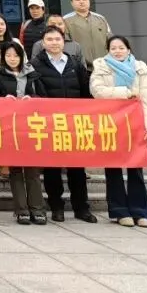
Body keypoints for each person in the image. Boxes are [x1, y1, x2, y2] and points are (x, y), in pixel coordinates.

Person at [90, 35, 147, 228]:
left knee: (136, 167)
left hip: (135, 123)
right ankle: (119, 211)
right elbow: (98, 92)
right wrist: (126, 93)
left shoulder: (140, 68)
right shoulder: (101, 66)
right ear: (108, 51)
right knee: (113, 168)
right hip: (111, 122)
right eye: (113, 48)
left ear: (128, 50)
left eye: (121, 47)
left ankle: (141, 211)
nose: (117, 51)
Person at [31, 25, 98, 223]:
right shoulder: (35, 65)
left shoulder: (74, 63)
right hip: (49, 123)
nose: (54, 43)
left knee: (77, 168)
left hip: (74, 123)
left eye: (57, 39)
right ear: (43, 43)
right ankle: (56, 207)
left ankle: (81, 208)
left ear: (64, 41)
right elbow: (35, 92)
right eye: (49, 39)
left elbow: (85, 91)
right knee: (51, 169)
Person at [0, 41, 47, 225]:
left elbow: (44, 98)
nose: (12, 59)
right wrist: (3, 100)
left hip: (31, 126)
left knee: (32, 170)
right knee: (15, 170)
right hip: (9, 127)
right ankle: (21, 210)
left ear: (22, 57)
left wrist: (33, 98)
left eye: (15, 55)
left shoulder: (33, 74)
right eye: (8, 55)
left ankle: (37, 209)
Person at [64, 0, 112, 69]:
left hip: (104, 66)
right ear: (71, 2)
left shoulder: (101, 18)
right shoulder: (65, 20)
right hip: (81, 67)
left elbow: (110, 40)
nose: (81, 1)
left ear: (89, 1)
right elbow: (66, 45)